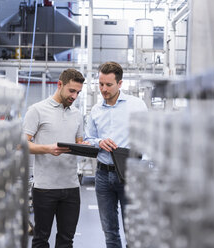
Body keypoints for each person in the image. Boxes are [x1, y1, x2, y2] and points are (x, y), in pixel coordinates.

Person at [85, 62, 148, 248]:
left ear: (120, 83)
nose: (103, 89)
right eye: (100, 84)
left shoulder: (136, 106)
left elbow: (148, 136)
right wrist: (99, 142)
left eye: (108, 85)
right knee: (110, 231)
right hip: (103, 175)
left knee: (133, 230)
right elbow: (88, 139)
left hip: (129, 174)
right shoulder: (95, 111)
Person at [23, 68, 86, 248]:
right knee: (41, 239)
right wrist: (48, 149)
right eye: (71, 91)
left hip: (72, 187)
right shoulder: (37, 110)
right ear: (60, 85)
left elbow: (79, 143)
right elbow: (22, 144)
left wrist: (86, 147)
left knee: (66, 240)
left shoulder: (77, 114)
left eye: (78, 93)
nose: (74, 96)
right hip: (45, 189)